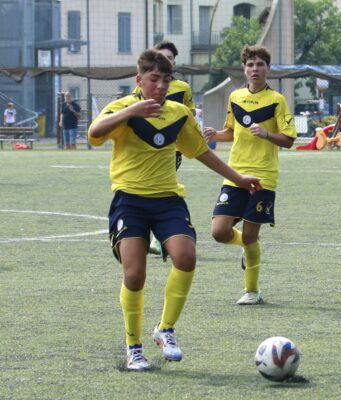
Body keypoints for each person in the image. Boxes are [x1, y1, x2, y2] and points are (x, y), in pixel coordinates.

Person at [88, 49, 262, 371]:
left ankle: (165, 329)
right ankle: (133, 347)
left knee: (186, 255)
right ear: (139, 80)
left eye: (166, 80)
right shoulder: (123, 108)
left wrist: (238, 177)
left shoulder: (178, 113)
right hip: (129, 200)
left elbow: (201, 152)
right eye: (154, 79)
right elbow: (95, 134)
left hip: (168, 199)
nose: (160, 86)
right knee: (135, 274)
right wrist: (131, 113)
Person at [203, 44, 297, 305]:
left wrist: (267, 134)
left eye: (260, 64)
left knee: (250, 235)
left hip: (264, 176)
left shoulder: (277, 100)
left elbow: (289, 140)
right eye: (250, 65)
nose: (255, 69)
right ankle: (247, 248)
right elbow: (232, 131)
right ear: (244, 69)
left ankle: (252, 292)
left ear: (268, 69)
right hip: (234, 174)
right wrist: (216, 134)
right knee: (219, 232)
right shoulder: (235, 97)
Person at [135, 40, 197, 255]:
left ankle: (160, 237)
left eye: (169, 58)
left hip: (172, 147)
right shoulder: (142, 88)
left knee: (163, 185)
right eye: (162, 57)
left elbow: (190, 112)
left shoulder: (182, 88)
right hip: (143, 149)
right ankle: (154, 234)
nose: (160, 85)